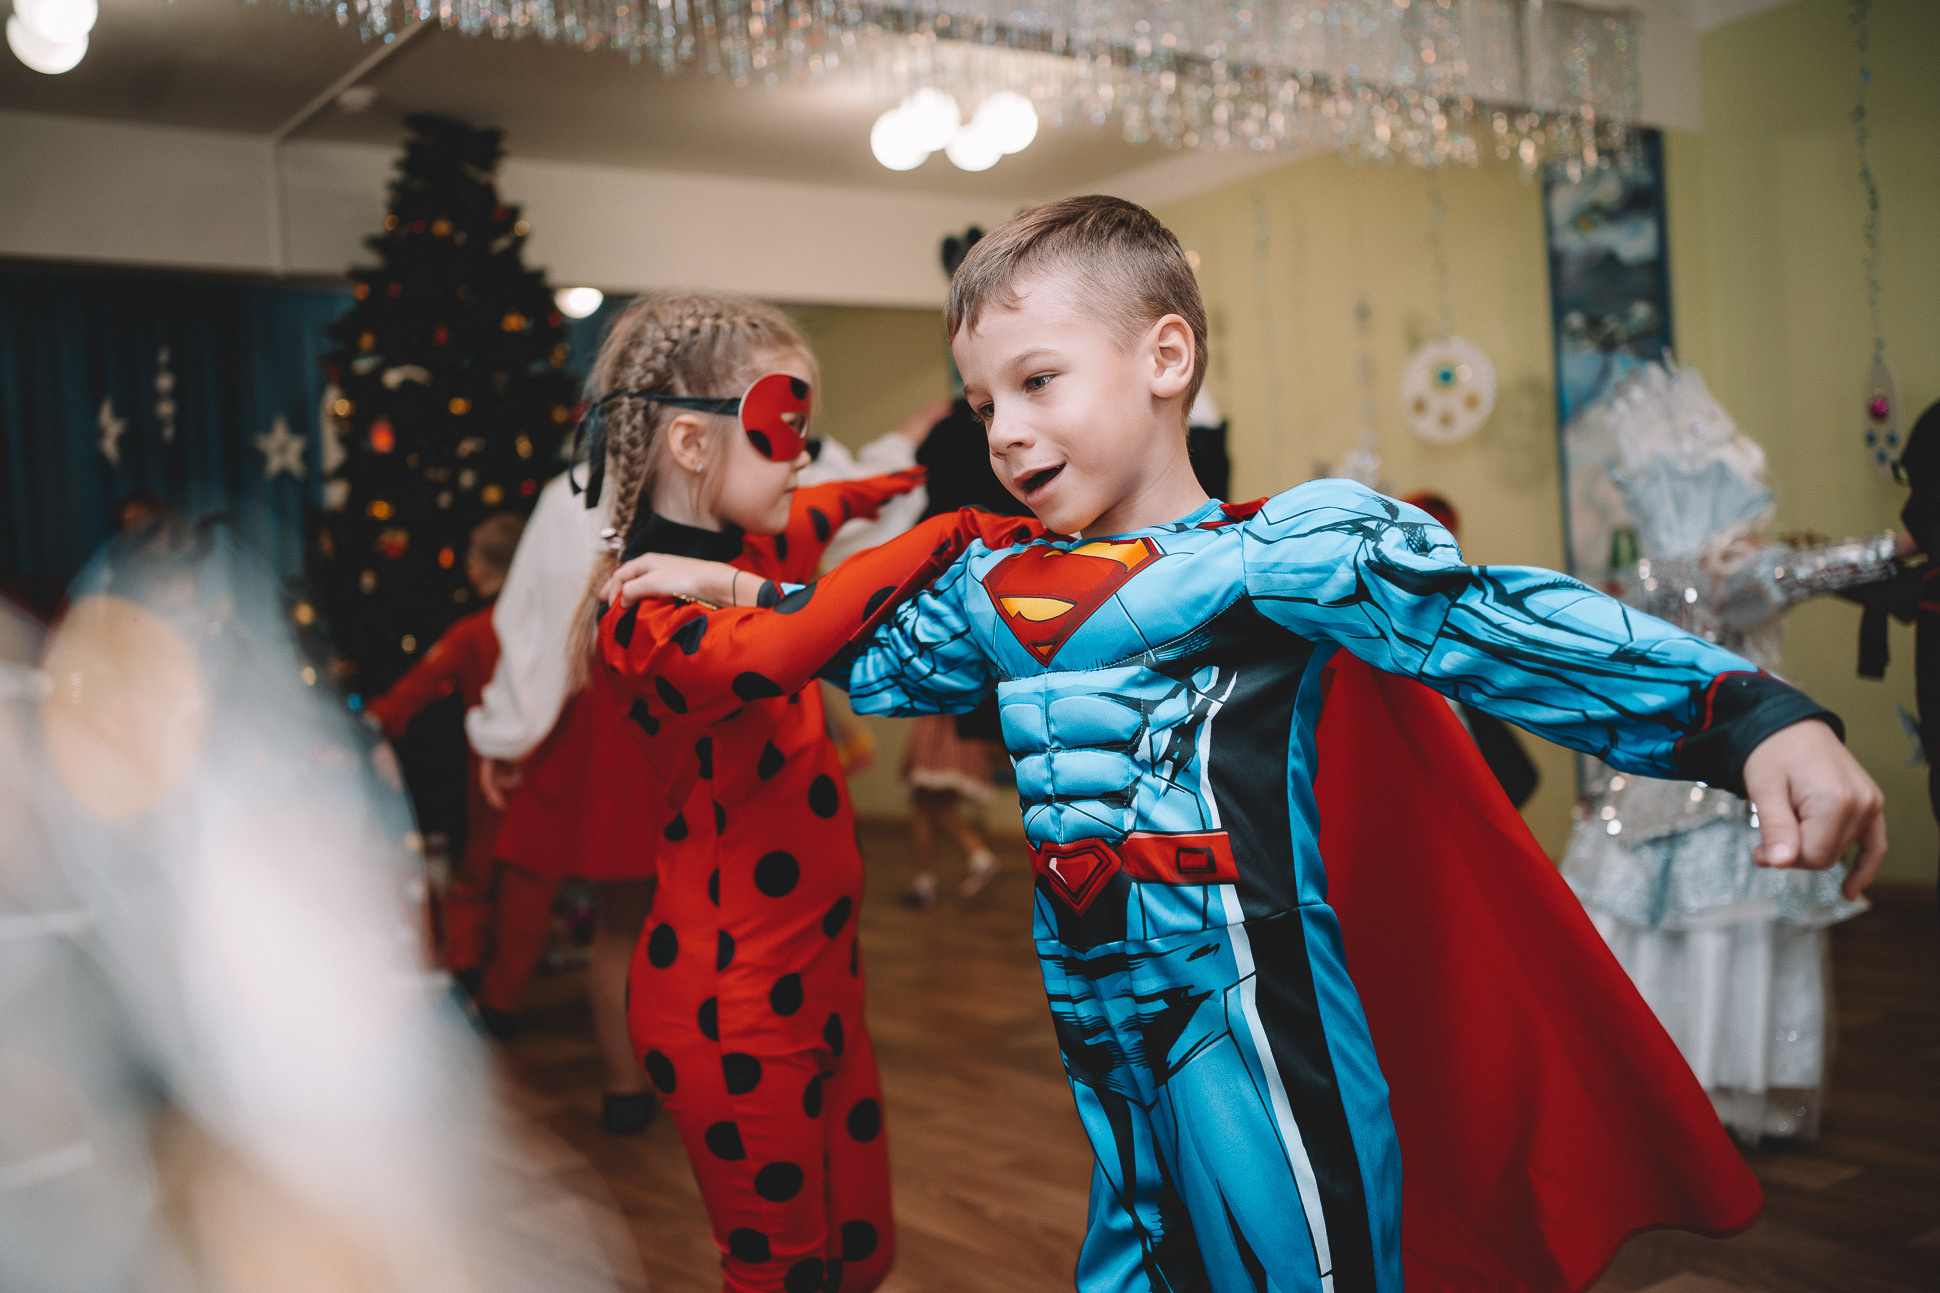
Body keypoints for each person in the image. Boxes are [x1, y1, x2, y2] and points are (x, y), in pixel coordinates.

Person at [601, 196, 1887, 1293]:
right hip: (1099, 1029)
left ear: (1166, 357)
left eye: (1036, 380)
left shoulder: (1284, 554)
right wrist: (739, 594)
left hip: (1254, 1018)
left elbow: (1499, 624)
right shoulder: (989, 591)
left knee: (1298, 1264)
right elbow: (855, 651)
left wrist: (1749, 719)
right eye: (983, 398)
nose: (999, 429)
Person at [577, 291, 953, 1293]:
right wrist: (952, 524)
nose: (799, 453)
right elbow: (795, 639)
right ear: (693, 448)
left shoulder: (750, 555)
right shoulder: (643, 618)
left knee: (860, 1259)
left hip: (825, 991)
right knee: (781, 1274)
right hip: (731, 1012)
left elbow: (831, 505)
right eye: (782, 428)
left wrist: (920, 470)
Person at [1557, 361, 1910, 1142]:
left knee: (1652, 931)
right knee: (1723, 933)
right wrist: (1899, 541)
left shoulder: (1649, 573)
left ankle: (1653, 1086)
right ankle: (1714, 1090)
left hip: (1657, 777)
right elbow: (1800, 569)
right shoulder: (1720, 570)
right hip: (1727, 776)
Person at [364, 513, 525, 981]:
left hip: (492, 764)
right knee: (525, 884)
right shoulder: (544, 623)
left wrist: (378, 721)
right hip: (545, 763)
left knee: (478, 872)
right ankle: (503, 993)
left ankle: (469, 969)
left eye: (472, 560)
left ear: (483, 567)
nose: (468, 569)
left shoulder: (473, 631)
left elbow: (419, 685)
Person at [897, 714, 999, 907]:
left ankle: (925, 885)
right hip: (962, 730)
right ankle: (980, 857)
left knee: (924, 810)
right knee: (941, 811)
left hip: (937, 733)